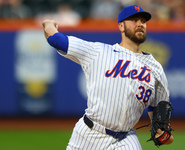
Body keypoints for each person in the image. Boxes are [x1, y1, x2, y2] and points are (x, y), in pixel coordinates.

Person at [42, 4, 174, 150]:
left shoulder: (156, 69)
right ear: (121, 26)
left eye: (143, 21)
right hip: (89, 134)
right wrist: (49, 25)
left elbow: (157, 109)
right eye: (134, 20)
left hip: (125, 139)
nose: (140, 24)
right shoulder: (99, 52)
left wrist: (163, 133)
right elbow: (57, 40)